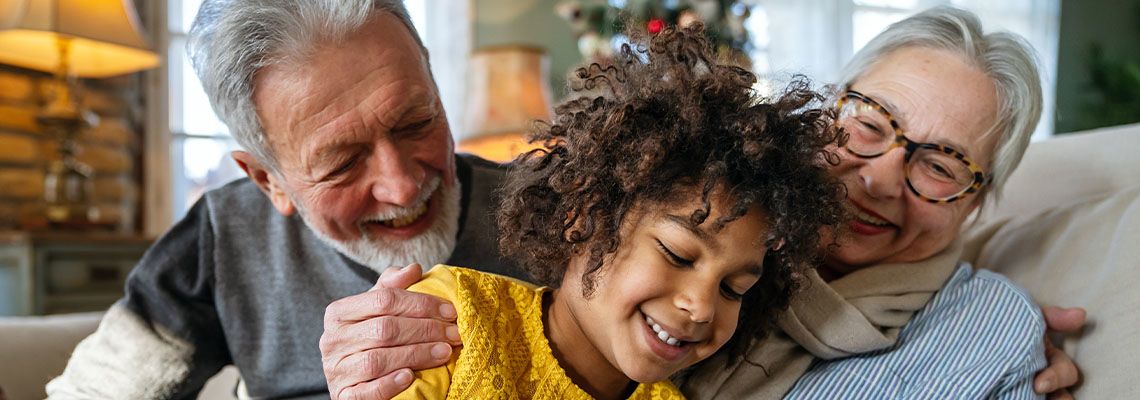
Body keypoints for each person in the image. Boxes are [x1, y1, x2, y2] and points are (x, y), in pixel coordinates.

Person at [320, 5, 1086, 400]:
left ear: (978, 201)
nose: (883, 177)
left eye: (943, 165)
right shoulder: (693, 216)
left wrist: (1010, 347)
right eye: (870, 126)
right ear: (825, 117)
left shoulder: (988, 333)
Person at [45, 1, 524, 398]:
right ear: (265, 179)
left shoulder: (552, 208)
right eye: (342, 163)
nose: (401, 186)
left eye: (417, 122)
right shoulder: (224, 236)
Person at [393, 25, 845, 399]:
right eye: (678, 255)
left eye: (733, 288)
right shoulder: (453, 315)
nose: (702, 307)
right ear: (583, 219)